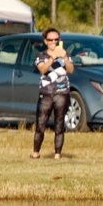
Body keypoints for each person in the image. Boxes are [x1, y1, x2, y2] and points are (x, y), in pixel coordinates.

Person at [32, 28, 74, 159]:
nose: (53, 42)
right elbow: (43, 70)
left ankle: (57, 154)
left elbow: (71, 70)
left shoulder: (65, 54)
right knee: (40, 124)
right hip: (46, 93)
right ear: (45, 41)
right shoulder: (41, 56)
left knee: (59, 125)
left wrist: (65, 58)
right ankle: (36, 152)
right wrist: (52, 58)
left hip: (62, 93)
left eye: (56, 39)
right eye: (50, 40)